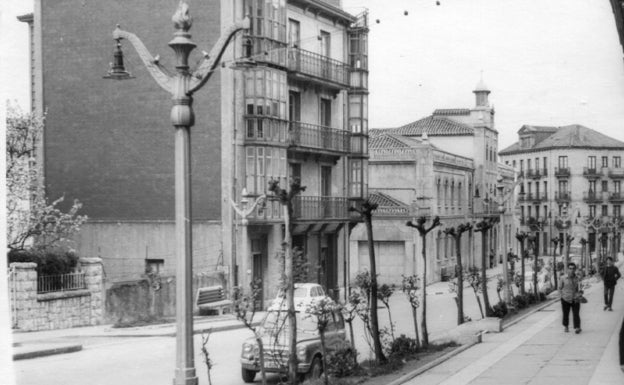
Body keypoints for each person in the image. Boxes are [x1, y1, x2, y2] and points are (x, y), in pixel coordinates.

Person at [558, 262, 583, 334]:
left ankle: (577, 327)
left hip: (575, 299)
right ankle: (566, 326)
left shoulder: (577, 278)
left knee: (576, 313)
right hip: (565, 298)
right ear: (567, 269)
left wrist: (580, 294)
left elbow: (580, 288)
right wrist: (561, 296)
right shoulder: (563, 278)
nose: (571, 270)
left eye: (573, 268)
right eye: (570, 268)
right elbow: (559, 288)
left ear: (575, 270)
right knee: (565, 313)